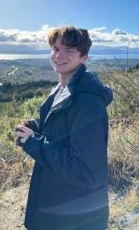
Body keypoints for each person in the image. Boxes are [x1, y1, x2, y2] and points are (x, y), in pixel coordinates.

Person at [16, 26, 113, 230]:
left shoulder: (88, 103)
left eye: (69, 50)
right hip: (56, 202)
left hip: (73, 215)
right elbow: (63, 131)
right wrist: (35, 127)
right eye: (55, 49)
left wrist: (33, 143)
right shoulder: (61, 89)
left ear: (84, 57)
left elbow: (83, 172)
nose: (58, 55)